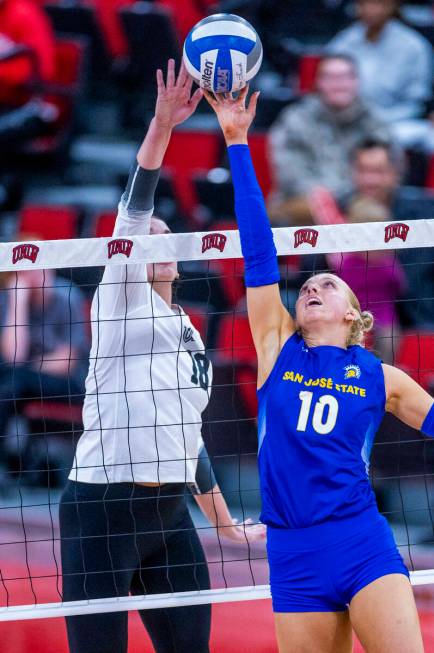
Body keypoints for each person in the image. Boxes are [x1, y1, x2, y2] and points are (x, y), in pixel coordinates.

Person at [204, 85, 434, 653]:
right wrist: (236, 140)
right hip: (292, 550)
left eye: (326, 284)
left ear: (353, 314)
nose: (311, 286)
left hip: (360, 542)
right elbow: (258, 254)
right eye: (306, 283)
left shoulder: (382, 376)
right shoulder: (276, 346)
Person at [59, 60, 265, 653]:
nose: (155, 243)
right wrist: (163, 125)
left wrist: (222, 520)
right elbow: (135, 204)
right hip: (103, 508)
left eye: (164, 236)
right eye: (145, 239)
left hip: (169, 510)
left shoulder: (190, 330)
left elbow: (188, 433)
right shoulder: (120, 299)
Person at [267, 54, 391, 225]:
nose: (338, 83)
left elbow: (389, 169)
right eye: (330, 77)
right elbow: (289, 172)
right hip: (303, 198)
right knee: (314, 211)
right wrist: (329, 199)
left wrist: (351, 195)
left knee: (372, 213)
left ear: (356, 81)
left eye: (345, 77)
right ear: (319, 83)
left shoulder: (374, 122)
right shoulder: (296, 119)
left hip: (356, 198)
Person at [0, 267, 88, 475]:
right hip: (22, 382)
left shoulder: (67, 296)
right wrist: (17, 304)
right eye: (27, 271)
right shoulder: (10, 299)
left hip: (71, 385)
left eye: (42, 268)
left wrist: (24, 370)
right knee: (9, 385)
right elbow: (14, 355)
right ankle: (9, 463)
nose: (38, 274)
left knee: (11, 381)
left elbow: (66, 363)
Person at [328, 0, 434, 150]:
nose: (371, 10)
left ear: (391, 6)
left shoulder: (414, 46)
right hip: (347, 120)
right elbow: (327, 88)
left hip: (396, 122)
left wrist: (377, 121)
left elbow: (416, 103)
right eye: (364, 4)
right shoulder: (343, 42)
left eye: (377, 4)